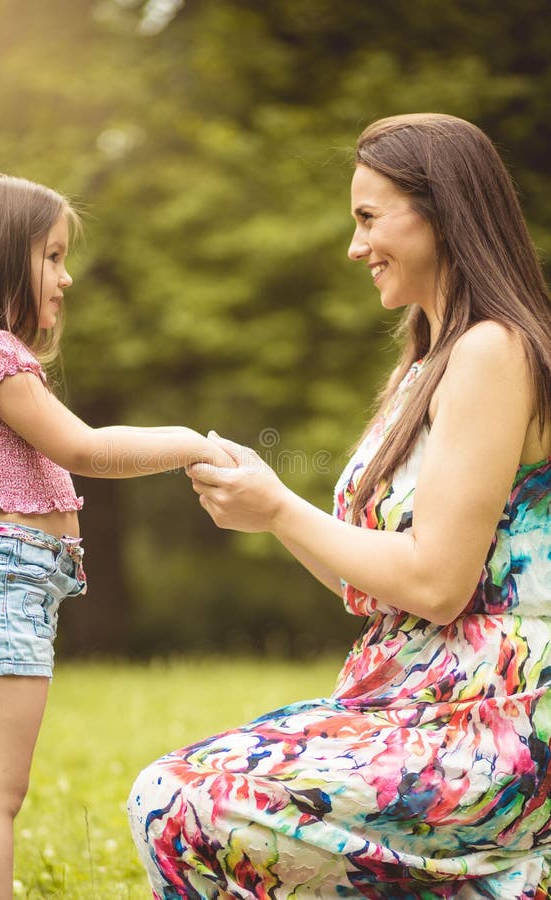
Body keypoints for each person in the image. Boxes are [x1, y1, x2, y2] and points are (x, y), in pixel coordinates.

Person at [128, 114, 551, 898]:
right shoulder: (424, 363)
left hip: (497, 724)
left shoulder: (494, 349)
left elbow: (436, 584)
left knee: (180, 801)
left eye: (368, 217)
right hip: (417, 696)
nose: (355, 247)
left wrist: (282, 508)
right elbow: (384, 592)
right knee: (177, 791)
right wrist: (271, 510)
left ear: (443, 210)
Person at [0, 172, 233, 900]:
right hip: (3, 578)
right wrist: (189, 442)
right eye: (51, 257)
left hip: (14, 579)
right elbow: (84, 450)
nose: (67, 275)